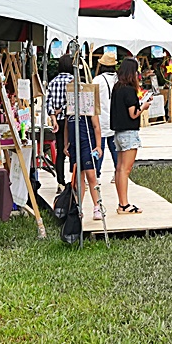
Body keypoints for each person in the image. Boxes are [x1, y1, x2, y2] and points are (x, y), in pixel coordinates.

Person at [44, 53, 104, 221]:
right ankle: (78, 208)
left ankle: (97, 206)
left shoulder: (88, 107)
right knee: (78, 178)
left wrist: (98, 146)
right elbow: (67, 129)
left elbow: (96, 127)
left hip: (87, 143)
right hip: (75, 143)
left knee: (91, 175)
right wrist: (66, 144)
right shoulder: (70, 109)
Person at [109, 58, 149, 213]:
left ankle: (121, 203)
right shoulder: (130, 90)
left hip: (118, 133)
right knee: (126, 170)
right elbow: (133, 114)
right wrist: (143, 106)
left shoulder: (117, 87)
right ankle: (124, 204)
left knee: (119, 169)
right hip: (129, 133)